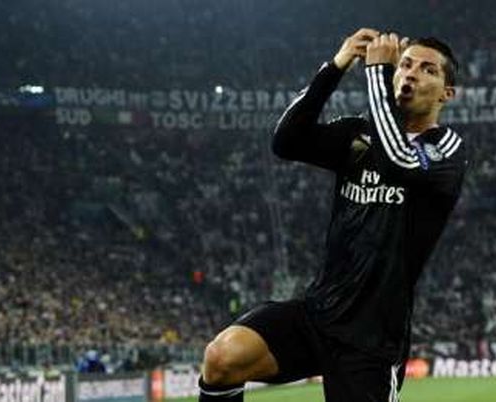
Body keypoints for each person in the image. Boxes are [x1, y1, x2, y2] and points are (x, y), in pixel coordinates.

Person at [197, 28, 468, 402]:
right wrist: (337, 66)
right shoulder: (357, 133)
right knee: (222, 358)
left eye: (428, 70)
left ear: (446, 94)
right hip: (318, 313)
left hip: (371, 338)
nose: (411, 74)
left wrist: (376, 73)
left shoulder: (447, 150)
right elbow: (286, 141)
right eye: (405, 65)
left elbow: (398, 161)